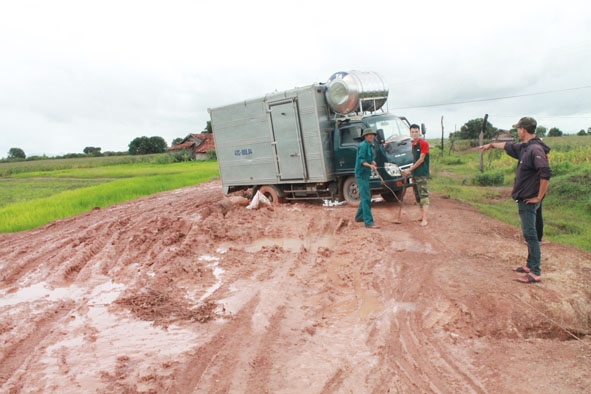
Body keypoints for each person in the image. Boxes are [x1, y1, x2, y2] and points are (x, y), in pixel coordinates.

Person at [480, 117, 551, 284]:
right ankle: (529, 265)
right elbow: (506, 145)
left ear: (523, 129)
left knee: (530, 234)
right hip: (527, 197)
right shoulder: (525, 148)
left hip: (529, 199)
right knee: (530, 234)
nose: (517, 131)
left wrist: (539, 197)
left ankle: (535, 272)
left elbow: (545, 173)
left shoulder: (534, 149)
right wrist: (491, 145)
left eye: (518, 129)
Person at [402, 124, 430, 226]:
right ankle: (422, 215)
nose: (414, 133)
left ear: (419, 132)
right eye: (412, 132)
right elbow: (414, 160)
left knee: (424, 195)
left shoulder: (424, 143)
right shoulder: (413, 144)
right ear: (410, 133)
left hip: (421, 173)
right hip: (415, 174)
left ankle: (425, 219)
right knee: (417, 196)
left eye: (416, 131)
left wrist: (409, 170)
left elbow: (421, 159)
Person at [354, 128, 380, 229]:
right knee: (366, 197)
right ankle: (369, 222)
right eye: (369, 135)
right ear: (365, 136)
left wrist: (372, 162)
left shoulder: (370, 145)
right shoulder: (363, 145)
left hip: (365, 173)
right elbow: (361, 161)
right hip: (361, 173)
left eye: (372, 135)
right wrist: (370, 166)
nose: (371, 136)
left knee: (366, 196)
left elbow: (370, 158)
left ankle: (359, 216)